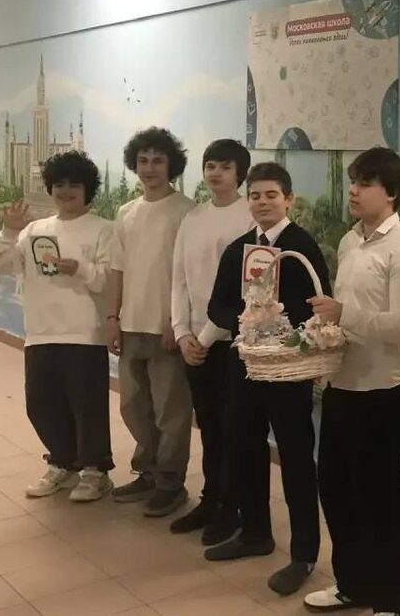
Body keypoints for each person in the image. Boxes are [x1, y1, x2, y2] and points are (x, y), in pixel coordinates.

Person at [204, 161, 332, 597]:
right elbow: (217, 306)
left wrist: (277, 326)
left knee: (295, 458)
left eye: (272, 195)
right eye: (255, 195)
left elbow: (317, 303)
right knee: (244, 447)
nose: (263, 203)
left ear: (288, 199)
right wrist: (244, 322)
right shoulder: (238, 250)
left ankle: (304, 553)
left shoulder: (301, 248)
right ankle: (255, 532)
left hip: (288, 371)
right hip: (245, 367)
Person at [304, 147, 400, 616]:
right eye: (352, 181)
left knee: (381, 499)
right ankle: (351, 584)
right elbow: (346, 316)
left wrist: (343, 314)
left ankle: (392, 599)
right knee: (336, 489)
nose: (353, 190)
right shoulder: (350, 241)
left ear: (391, 194)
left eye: (365, 183)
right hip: (341, 385)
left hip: (384, 391)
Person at [0, 151, 116, 502]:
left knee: (87, 407)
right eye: (59, 184)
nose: (66, 190)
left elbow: (110, 280)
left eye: (74, 184)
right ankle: (63, 463)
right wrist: (9, 231)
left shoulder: (104, 229)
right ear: (50, 188)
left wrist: (80, 269)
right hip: (40, 333)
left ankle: (95, 471)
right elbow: (1, 265)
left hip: (85, 333)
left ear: (88, 189)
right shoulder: (34, 230)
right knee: (41, 404)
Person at [108, 127, 196, 518]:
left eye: (158, 160)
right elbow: (117, 269)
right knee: (133, 406)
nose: (150, 168)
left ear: (171, 165)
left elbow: (189, 275)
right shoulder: (126, 212)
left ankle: (170, 483)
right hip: (131, 324)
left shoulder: (186, 211)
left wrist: (177, 323)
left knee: (170, 411)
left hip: (167, 328)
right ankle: (147, 472)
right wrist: (113, 317)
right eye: (143, 160)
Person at [169, 139, 254, 544]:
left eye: (224, 166)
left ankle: (232, 507)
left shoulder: (249, 217)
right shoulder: (193, 217)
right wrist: (182, 332)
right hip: (195, 343)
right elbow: (179, 279)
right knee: (208, 427)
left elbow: (245, 291)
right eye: (209, 166)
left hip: (232, 342)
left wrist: (204, 336)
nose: (215, 173)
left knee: (232, 427)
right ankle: (210, 499)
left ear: (240, 173)